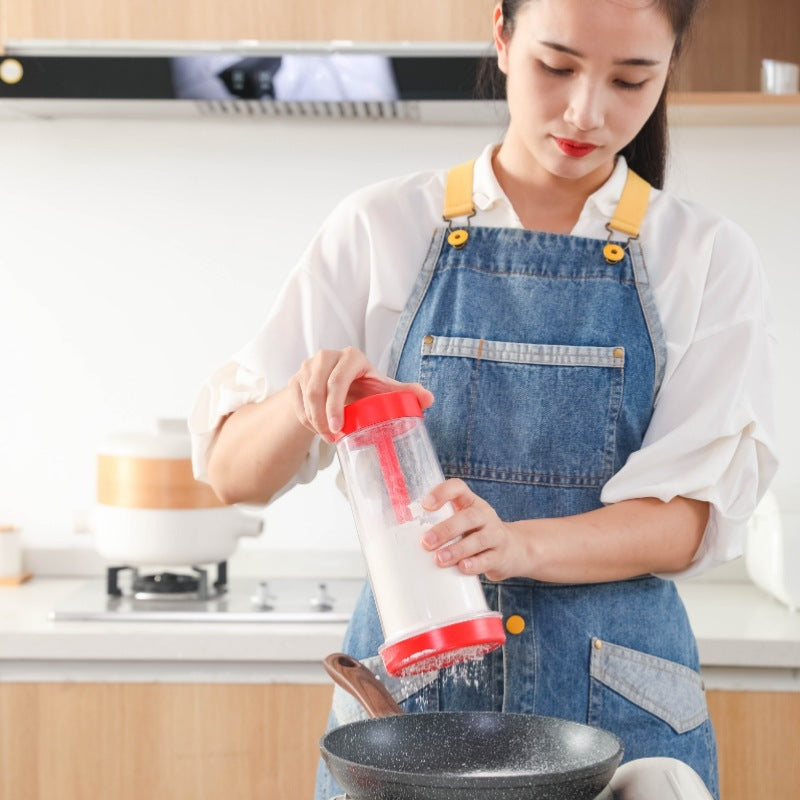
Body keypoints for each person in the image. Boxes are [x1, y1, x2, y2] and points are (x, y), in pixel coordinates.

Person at [189, 1, 778, 798]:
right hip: (410, 717)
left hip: (623, 721)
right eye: (557, 66)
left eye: (632, 80)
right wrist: (303, 400)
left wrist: (518, 546)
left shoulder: (704, 256)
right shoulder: (381, 228)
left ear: (670, 65)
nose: (587, 112)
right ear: (501, 36)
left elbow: (687, 521)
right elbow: (232, 473)